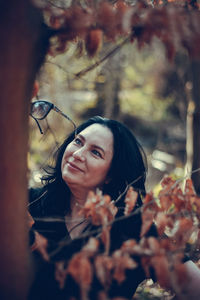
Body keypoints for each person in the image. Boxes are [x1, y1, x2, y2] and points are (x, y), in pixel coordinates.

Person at [28, 116, 156, 300]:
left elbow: (191, 284)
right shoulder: (30, 203)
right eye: (78, 141)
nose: (77, 154)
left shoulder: (133, 227)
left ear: (111, 176)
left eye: (96, 153)